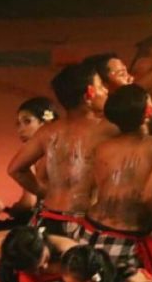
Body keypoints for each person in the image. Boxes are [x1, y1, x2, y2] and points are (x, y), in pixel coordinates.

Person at [8, 62, 116, 238]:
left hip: (47, 218)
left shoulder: (47, 132)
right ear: (90, 93)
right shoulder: (110, 129)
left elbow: (15, 169)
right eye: (101, 87)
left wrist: (45, 193)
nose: (106, 92)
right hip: (84, 224)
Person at [83, 85, 152, 276]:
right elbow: (148, 198)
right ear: (147, 113)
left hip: (90, 231)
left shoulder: (103, 147)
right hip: (125, 238)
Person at [6, 96, 60, 223]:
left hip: (48, 219)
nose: (21, 129)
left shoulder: (34, 158)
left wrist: (14, 210)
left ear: (46, 123)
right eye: (18, 124)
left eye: (27, 122)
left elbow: (29, 202)